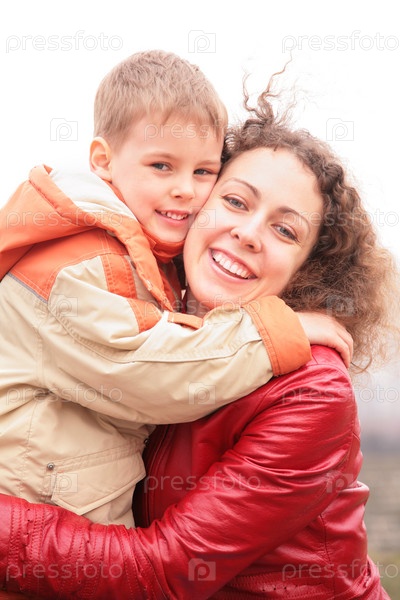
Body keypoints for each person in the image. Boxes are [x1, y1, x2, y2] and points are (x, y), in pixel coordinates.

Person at [1, 79, 397, 600]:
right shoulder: (151, 321)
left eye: (285, 231)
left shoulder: (312, 390)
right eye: (235, 201)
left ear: (308, 269)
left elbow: (166, 572)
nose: (248, 233)